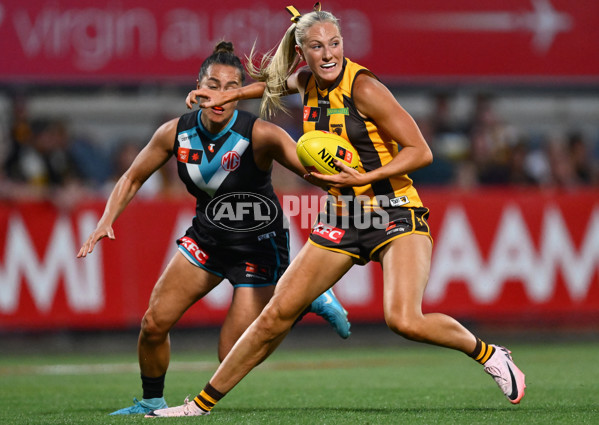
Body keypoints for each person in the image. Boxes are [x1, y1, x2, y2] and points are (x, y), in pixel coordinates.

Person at [149, 4, 526, 417]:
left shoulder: (364, 87)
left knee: (404, 319)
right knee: (275, 315)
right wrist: (228, 94)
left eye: (335, 43)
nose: (328, 54)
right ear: (303, 51)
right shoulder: (307, 81)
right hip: (344, 216)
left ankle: (488, 352)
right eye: (317, 46)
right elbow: (272, 86)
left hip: (392, 210)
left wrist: (364, 178)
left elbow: (421, 151)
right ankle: (198, 407)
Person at [76, 41, 351, 415]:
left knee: (230, 357)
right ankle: (151, 400)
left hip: (259, 247)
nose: (221, 94)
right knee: (154, 323)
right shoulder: (175, 133)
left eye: (230, 86)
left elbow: (312, 173)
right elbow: (131, 178)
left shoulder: (261, 134)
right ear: (198, 86)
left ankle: (301, 299)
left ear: (241, 93)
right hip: (207, 238)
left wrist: (350, 183)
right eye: (213, 84)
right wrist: (106, 219)